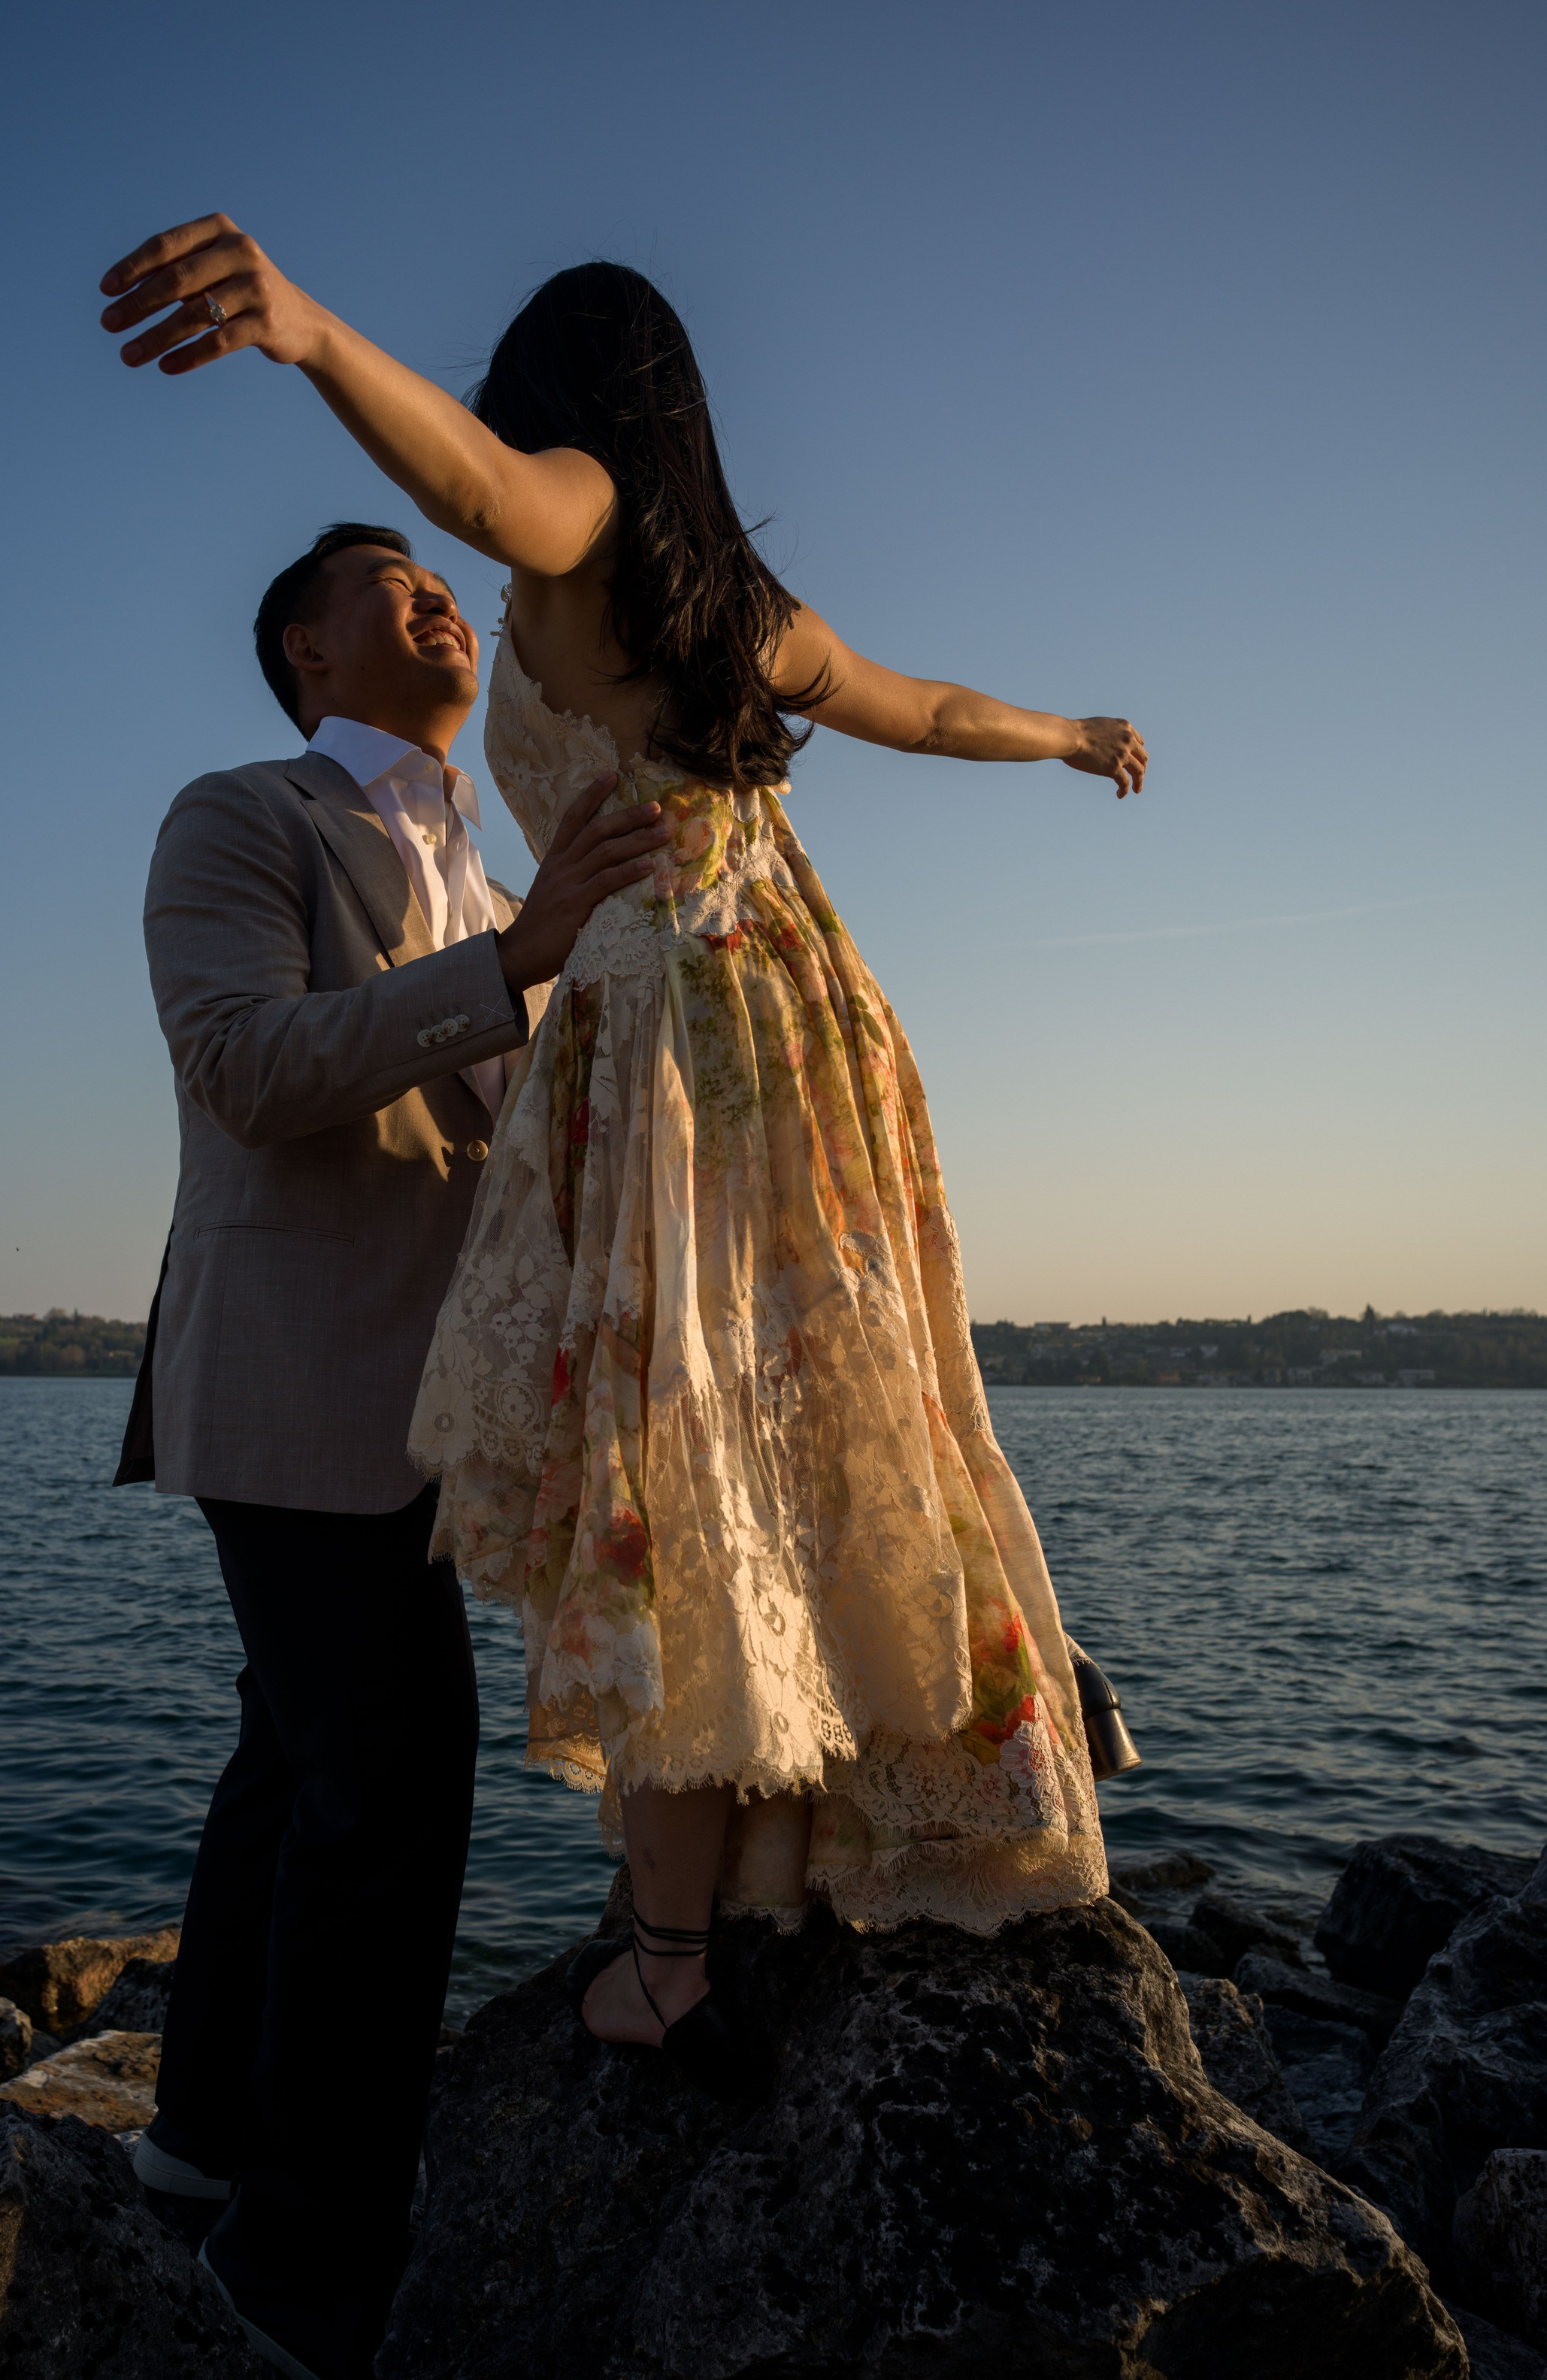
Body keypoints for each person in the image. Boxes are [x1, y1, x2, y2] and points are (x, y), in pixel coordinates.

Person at [100, 219, 1145, 2110]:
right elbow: (918, 708)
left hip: (678, 1031)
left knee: (684, 1469)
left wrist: (313, 332)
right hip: (792, 1026)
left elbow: (483, 490)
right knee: (807, 1426)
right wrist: (1069, 734)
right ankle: (838, 1813)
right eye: (394, 590)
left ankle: (664, 1949)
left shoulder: (576, 553)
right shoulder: (722, 616)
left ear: (572, 410)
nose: (459, 582)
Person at [110, 519, 667, 2380]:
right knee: (390, 1790)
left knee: (293, 1764)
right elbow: (248, 1072)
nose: (439, 590)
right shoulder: (239, 816)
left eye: (446, 575)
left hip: (459, 1399)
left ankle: (199, 2145)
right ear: (306, 651)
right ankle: (308, 2273)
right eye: (387, 575)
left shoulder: (501, 864)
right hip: (293, 1378)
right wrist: (517, 955)